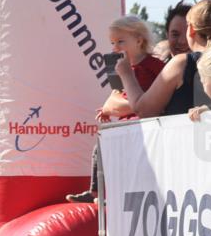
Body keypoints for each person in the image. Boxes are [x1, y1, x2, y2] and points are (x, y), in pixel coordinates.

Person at [68, 15, 165, 203]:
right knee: (101, 145)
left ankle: (112, 192)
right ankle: (96, 191)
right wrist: (106, 110)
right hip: (126, 123)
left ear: (139, 40)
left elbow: (151, 95)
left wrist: (119, 105)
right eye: (113, 42)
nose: (116, 47)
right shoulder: (123, 68)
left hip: (144, 123)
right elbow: (117, 94)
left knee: (122, 157)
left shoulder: (152, 65)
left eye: (121, 41)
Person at [119, 0, 211, 118]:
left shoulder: (182, 63)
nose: (182, 41)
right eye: (175, 34)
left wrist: (126, 74)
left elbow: (144, 110)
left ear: (191, 30)